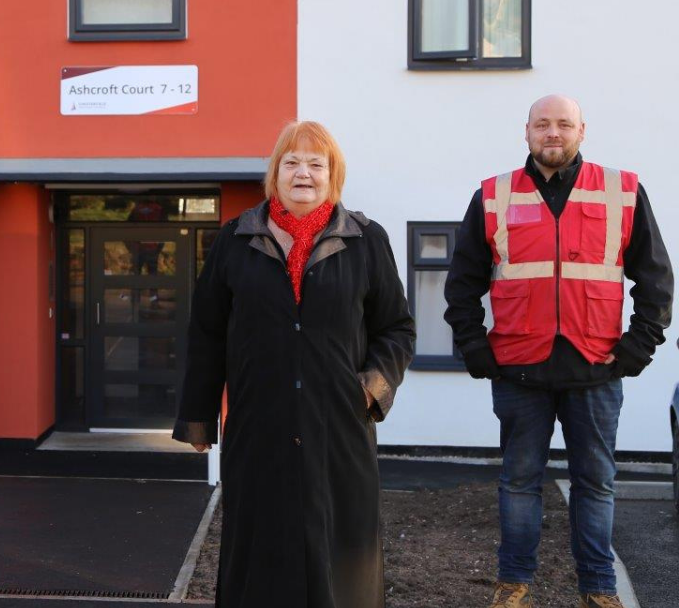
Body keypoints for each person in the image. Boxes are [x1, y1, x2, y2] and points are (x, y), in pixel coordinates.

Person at [173, 120, 415, 607]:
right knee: (262, 547)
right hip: (259, 423)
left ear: (333, 175)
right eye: (291, 162)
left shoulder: (367, 240)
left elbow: (396, 328)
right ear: (275, 173)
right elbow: (207, 335)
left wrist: (370, 387)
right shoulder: (234, 241)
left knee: (343, 548)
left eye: (315, 164)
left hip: (341, 424)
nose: (302, 173)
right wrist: (199, 418)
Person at [444, 94, 673, 608]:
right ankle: (513, 584)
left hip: (595, 367)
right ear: (525, 131)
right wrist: (473, 346)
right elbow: (461, 283)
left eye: (563, 124)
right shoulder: (494, 195)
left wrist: (638, 348)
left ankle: (598, 588)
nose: (553, 133)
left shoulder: (623, 192)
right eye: (542, 124)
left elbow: (656, 280)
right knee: (519, 482)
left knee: (596, 485)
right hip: (518, 368)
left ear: (582, 131)